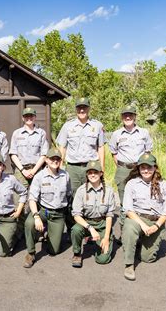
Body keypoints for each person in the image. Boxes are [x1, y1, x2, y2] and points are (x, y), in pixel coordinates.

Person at [56, 97, 106, 236]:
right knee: (71, 198)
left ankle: (92, 228)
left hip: (92, 167)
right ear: (76, 109)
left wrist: (102, 167)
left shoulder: (97, 126)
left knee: (91, 196)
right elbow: (62, 147)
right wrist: (59, 167)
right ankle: (74, 229)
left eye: (84, 107)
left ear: (89, 108)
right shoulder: (68, 126)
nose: (82, 110)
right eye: (79, 107)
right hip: (73, 167)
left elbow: (101, 147)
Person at [122, 153, 166, 281]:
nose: (146, 170)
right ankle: (129, 264)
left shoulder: (163, 185)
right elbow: (128, 209)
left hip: (156, 222)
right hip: (138, 219)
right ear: (138, 169)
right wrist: (143, 225)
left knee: (147, 258)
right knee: (129, 228)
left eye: (149, 167)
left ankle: (140, 242)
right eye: (142, 167)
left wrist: (156, 226)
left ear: (155, 168)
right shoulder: (132, 184)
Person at [23, 148, 71, 268]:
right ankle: (31, 253)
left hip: (58, 214)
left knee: (54, 251)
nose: (55, 161)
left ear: (60, 161)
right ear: (46, 160)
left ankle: (47, 233)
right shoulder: (39, 176)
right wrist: (36, 216)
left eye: (57, 159)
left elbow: (69, 195)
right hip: (44, 211)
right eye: (52, 159)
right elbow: (32, 199)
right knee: (30, 223)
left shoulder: (65, 175)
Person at [108, 105, 153, 234]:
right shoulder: (116, 134)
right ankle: (124, 234)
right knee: (124, 203)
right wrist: (123, 166)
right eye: (125, 115)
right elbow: (114, 153)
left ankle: (140, 231)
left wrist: (140, 168)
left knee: (140, 201)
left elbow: (148, 153)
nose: (128, 117)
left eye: (130, 115)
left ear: (135, 116)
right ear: (122, 117)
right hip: (123, 170)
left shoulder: (144, 133)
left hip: (140, 170)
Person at [70, 160, 117, 268]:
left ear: (101, 173)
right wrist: (90, 228)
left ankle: (108, 238)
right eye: (90, 172)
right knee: (76, 230)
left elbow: (109, 216)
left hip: (102, 224)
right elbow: (76, 215)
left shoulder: (109, 191)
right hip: (86, 223)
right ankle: (77, 253)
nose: (93, 175)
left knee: (103, 260)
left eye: (95, 172)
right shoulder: (81, 191)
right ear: (87, 174)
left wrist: (105, 237)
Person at [9, 107, 49, 188]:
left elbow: (44, 155)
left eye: (31, 116)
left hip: (37, 170)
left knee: (37, 196)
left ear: (35, 117)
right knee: (20, 197)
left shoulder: (41, 133)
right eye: (26, 116)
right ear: (23, 118)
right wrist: (23, 170)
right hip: (21, 171)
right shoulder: (16, 133)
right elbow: (13, 154)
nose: (29, 118)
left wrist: (34, 171)